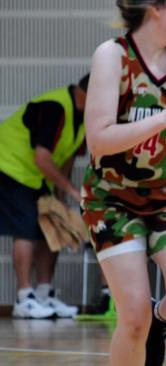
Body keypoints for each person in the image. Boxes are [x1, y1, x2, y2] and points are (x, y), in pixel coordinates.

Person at [81, 0, 166, 365]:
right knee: (132, 319)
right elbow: (99, 140)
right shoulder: (113, 56)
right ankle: (145, 321)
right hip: (112, 199)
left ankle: (160, 319)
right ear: (155, 9)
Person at [0, 73, 89, 319]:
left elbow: (68, 159)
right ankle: (24, 298)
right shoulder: (56, 107)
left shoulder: (83, 120)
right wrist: (73, 191)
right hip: (9, 167)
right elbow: (43, 157)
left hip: (35, 176)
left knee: (52, 226)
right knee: (26, 226)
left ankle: (43, 293)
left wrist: (60, 198)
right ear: (87, 93)